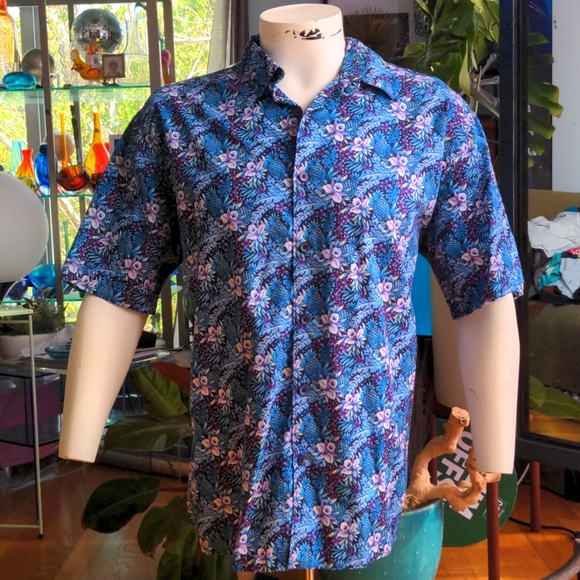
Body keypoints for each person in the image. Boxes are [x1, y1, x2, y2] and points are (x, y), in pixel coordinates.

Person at [59, 4, 523, 577]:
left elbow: (484, 286)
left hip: (359, 460)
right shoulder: (178, 119)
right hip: (240, 455)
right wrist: (80, 431)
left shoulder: (430, 117)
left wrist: (495, 442)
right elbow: (118, 280)